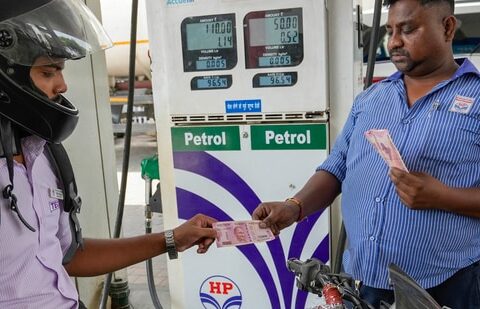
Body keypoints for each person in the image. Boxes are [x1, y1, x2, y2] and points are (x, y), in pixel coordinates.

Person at [253, 0, 480, 308]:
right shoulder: (371, 99)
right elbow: (336, 167)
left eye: (408, 29)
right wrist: (294, 207)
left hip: (443, 285)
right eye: (390, 30)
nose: (395, 41)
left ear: (447, 27)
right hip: (360, 282)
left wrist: (442, 197)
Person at [0, 1, 216, 308]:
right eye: (48, 72)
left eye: (60, 70)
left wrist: (171, 239)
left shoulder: (45, 154)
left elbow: (70, 254)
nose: (62, 85)